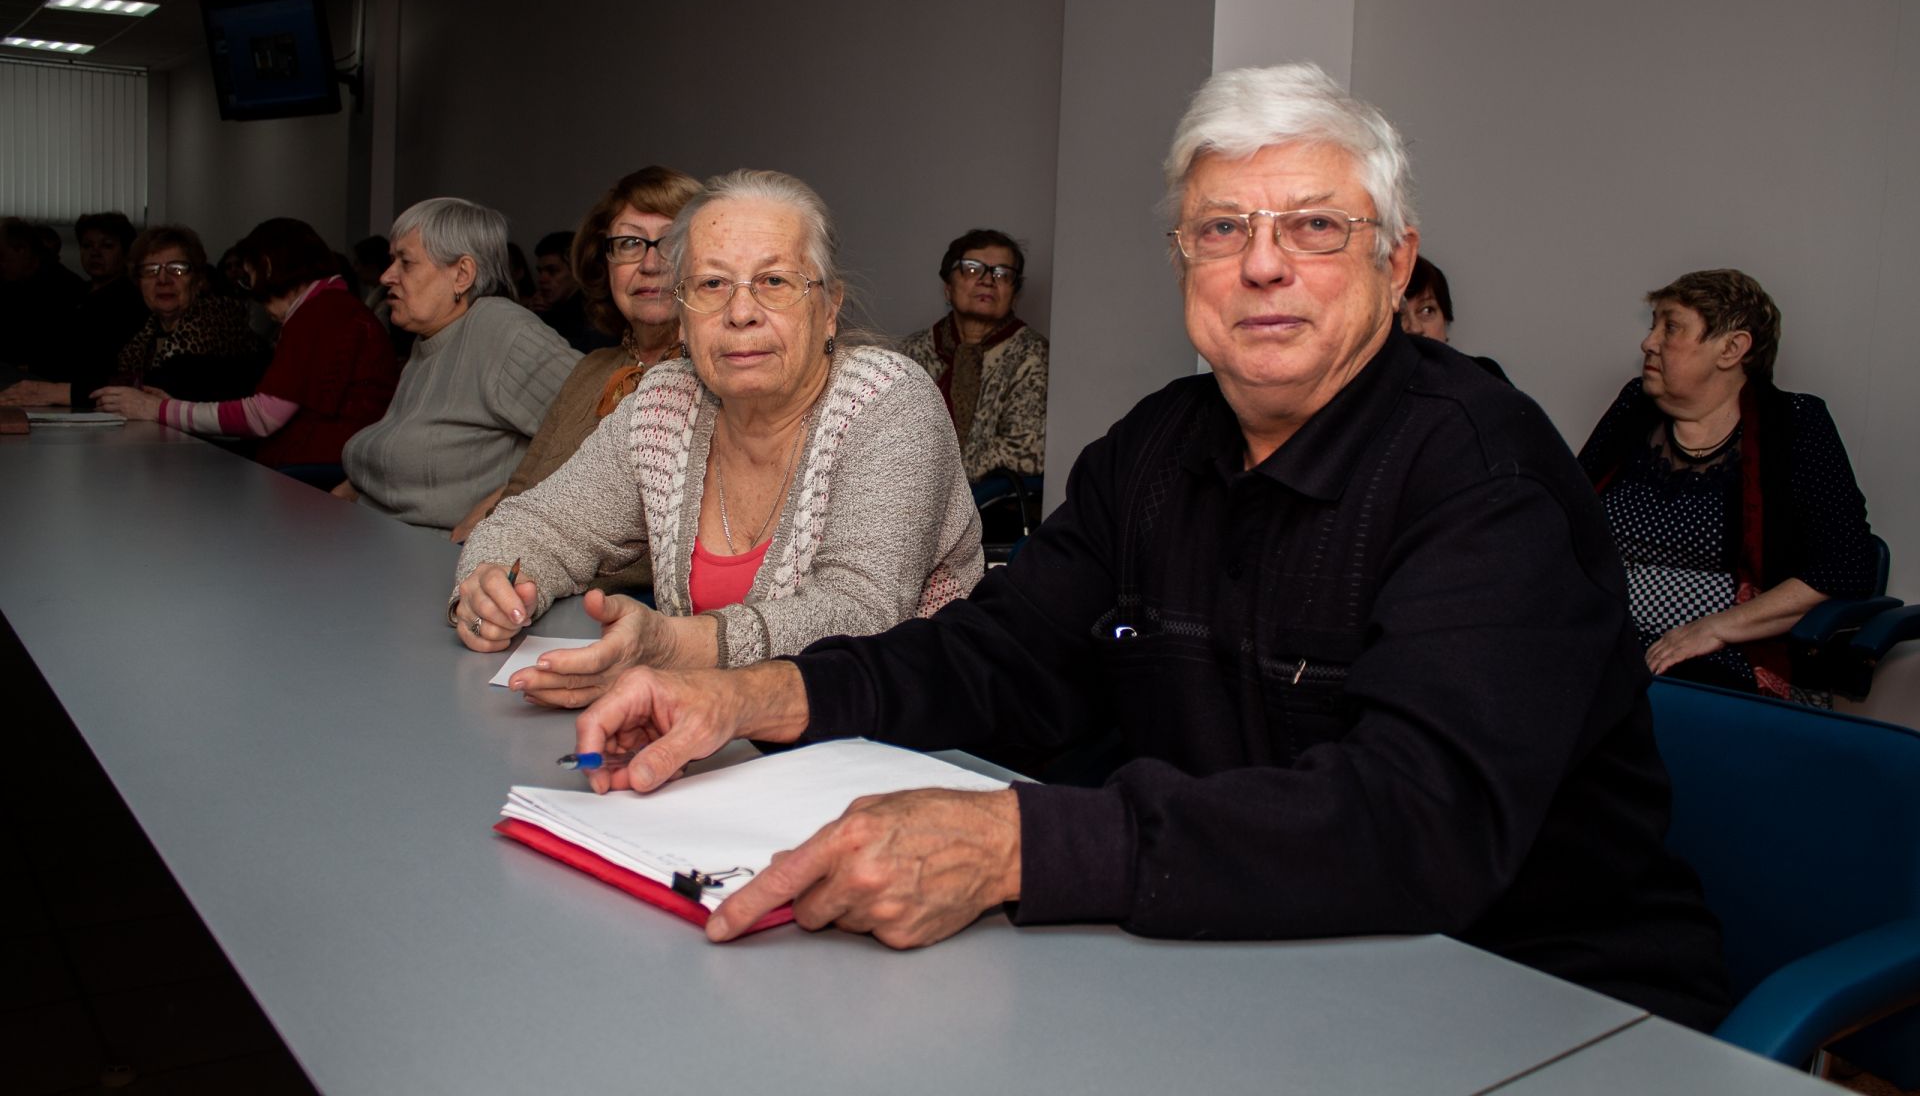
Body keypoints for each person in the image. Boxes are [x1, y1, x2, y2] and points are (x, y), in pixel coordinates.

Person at [566, 64, 1729, 1031]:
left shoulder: (1485, 471)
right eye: (1223, 228)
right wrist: (755, 693)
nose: (1262, 263)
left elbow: (1417, 817)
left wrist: (1014, 844)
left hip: (1526, 997)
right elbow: (1000, 654)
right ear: (1184, 261)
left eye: (1315, 226)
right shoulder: (1155, 448)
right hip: (1237, 963)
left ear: (1396, 263)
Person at [451, 169, 983, 711]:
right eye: (711, 284)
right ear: (682, 319)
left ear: (829, 309)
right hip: (703, 726)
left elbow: (863, 612)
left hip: (898, 729)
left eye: (774, 281)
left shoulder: (890, 401)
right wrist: (493, 584)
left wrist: (673, 645)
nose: (741, 313)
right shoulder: (665, 402)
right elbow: (542, 523)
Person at [1577, 269, 1874, 703]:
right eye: (1653, 326)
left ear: (1732, 349)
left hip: (1723, 658)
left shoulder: (1794, 425)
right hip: (1603, 636)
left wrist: (1714, 628)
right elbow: (1564, 511)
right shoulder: (1633, 407)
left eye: (1670, 327)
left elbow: (1848, 565)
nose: (1649, 342)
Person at [449, 166, 701, 576]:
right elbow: (523, 488)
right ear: (604, 263)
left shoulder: (720, 379)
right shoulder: (592, 368)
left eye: (673, 242)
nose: (650, 263)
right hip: (524, 583)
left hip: (616, 602)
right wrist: (486, 556)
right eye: (630, 243)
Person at [94, 218, 400, 488]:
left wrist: (159, 410)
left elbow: (262, 416)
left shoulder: (317, 314)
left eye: (249, 276)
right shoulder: (334, 309)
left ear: (267, 267)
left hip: (310, 480)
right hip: (322, 471)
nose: (251, 290)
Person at [336, 198, 579, 529]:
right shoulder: (430, 341)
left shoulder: (499, 327)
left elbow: (601, 427)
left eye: (405, 262)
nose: (387, 276)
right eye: (392, 261)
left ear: (462, 275)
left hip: (437, 553)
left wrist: (502, 504)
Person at [50, 225, 265, 403]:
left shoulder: (218, 318)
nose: (163, 280)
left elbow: (172, 384)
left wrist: (66, 393)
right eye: (150, 270)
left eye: (177, 269)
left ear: (199, 279)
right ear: (138, 282)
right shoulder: (145, 331)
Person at [899, 229, 1049, 483]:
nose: (987, 280)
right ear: (948, 288)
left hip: (991, 501)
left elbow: (1025, 449)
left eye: (1002, 274)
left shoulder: (1031, 353)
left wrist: (940, 484)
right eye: (971, 269)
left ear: (1014, 294)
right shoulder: (911, 353)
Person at [0, 211, 147, 408]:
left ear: (125, 252)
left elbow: (99, 361)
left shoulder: (129, 300)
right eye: (87, 246)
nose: (95, 253)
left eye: (107, 246)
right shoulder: (78, 293)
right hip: (48, 379)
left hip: (78, 391)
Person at [1398, 254, 1509, 382]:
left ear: (1445, 319)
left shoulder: (1483, 373)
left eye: (1427, 310)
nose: (1415, 328)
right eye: (1398, 314)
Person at [0, 216, 86, 378]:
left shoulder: (64, 288)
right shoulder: (11, 282)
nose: (0, 265)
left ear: (22, 250)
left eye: (2, 257)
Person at [531, 229, 615, 352]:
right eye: (540, 271)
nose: (542, 279)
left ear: (576, 270)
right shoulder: (549, 309)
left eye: (552, 271)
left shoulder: (596, 314)